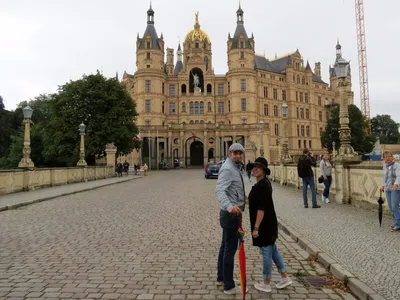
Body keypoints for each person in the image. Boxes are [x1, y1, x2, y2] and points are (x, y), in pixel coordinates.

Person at [249, 157, 292, 293]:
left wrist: (256, 227)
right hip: (269, 222)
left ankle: (266, 282)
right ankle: (284, 277)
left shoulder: (262, 185)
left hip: (264, 224)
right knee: (273, 251)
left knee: (267, 253)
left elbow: (261, 208)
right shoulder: (263, 183)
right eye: (254, 166)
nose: (255, 169)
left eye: (259, 167)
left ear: (264, 171)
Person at [216, 143, 248, 295]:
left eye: (240, 153)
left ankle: (221, 276)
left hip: (231, 213)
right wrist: (230, 207)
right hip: (231, 214)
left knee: (224, 246)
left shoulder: (234, 167)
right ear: (229, 153)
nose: (238, 156)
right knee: (230, 249)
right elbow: (219, 191)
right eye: (235, 153)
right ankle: (228, 285)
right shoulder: (229, 169)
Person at [380, 150, 400, 232]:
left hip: (395, 188)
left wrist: (396, 184)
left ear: (392, 157)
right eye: (385, 157)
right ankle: (397, 222)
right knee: (391, 207)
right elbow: (384, 177)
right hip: (388, 188)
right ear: (384, 158)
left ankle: (398, 224)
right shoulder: (385, 166)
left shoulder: (397, 165)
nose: (387, 158)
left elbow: (399, 176)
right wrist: (382, 186)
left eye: (389, 156)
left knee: (394, 206)